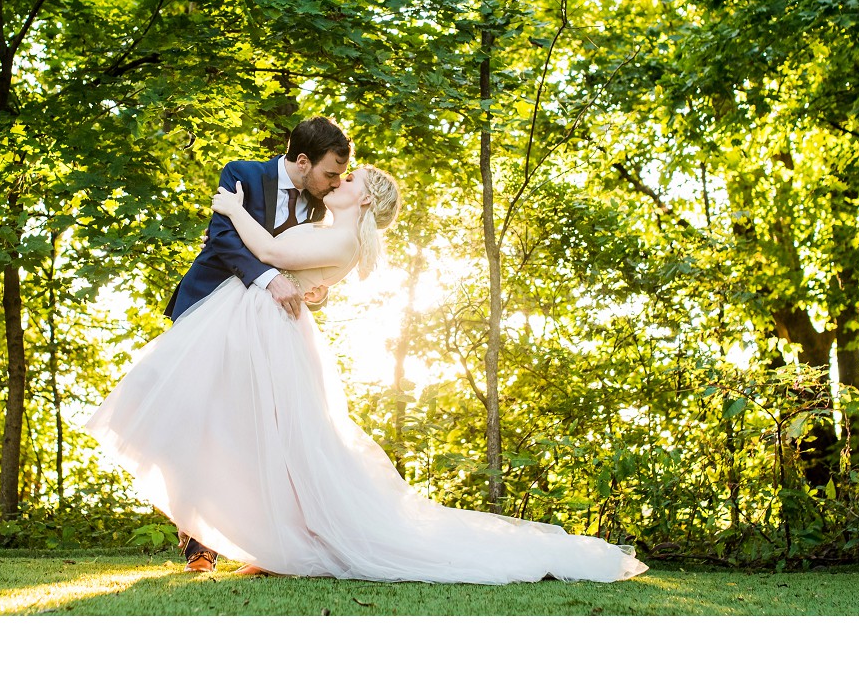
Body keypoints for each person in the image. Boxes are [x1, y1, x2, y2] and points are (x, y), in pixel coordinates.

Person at [86, 158, 648, 584]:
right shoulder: (334, 228)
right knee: (264, 434)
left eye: (351, 178)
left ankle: (284, 540)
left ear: (364, 198)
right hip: (257, 323)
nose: (341, 180)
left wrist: (232, 213)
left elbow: (274, 256)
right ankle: (258, 537)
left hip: (267, 330)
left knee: (282, 439)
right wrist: (309, 285)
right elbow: (294, 268)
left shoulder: (339, 232)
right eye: (341, 173)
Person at [155, 116, 353, 571]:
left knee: (262, 428)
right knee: (193, 420)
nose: (335, 182)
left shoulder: (324, 208)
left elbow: (305, 261)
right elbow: (223, 239)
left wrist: (313, 288)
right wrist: (269, 281)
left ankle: (266, 540)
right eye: (330, 172)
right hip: (210, 311)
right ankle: (198, 543)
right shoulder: (241, 175)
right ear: (302, 162)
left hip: (271, 332)